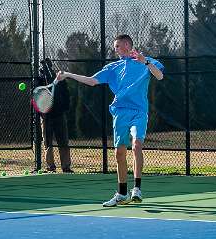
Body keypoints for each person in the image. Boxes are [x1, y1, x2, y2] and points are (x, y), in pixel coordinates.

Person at [56, 34, 164, 207]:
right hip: (120, 113)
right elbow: (91, 81)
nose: (115, 49)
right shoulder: (113, 67)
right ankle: (122, 194)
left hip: (139, 112)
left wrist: (145, 62)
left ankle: (137, 189)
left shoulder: (146, 61)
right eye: (115, 47)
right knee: (119, 153)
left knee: (137, 145)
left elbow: (159, 76)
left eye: (117, 46)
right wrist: (68, 74)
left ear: (128, 45)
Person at [39, 58, 74, 173]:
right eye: (44, 66)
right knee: (47, 142)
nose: (46, 68)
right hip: (46, 116)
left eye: (47, 66)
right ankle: (50, 166)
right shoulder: (39, 80)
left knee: (63, 141)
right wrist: (42, 113)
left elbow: (66, 93)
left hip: (59, 114)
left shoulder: (59, 79)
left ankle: (66, 167)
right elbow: (36, 97)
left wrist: (64, 108)